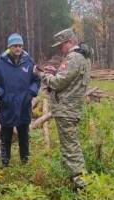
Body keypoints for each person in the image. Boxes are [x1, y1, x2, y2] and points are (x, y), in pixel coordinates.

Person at [33, 28, 92, 190]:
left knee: (71, 148)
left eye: (62, 45)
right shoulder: (83, 57)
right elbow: (69, 79)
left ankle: (82, 186)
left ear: (70, 42)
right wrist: (56, 71)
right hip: (72, 108)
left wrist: (42, 75)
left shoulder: (73, 57)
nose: (60, 49)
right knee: (71, 145)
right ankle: (76, 181)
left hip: (66, 109)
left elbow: (58, 83)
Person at [0, 33, 41, 167]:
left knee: (24, 135)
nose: (18, 48)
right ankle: (5, 162)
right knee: (6, 136)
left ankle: (25, 161)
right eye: (15, 46)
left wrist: (31, 92)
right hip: (7, 105)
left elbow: (36, 80)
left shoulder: (29, 61)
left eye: (20, 46)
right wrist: (2, 94)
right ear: (9, 47)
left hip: (24, 105)